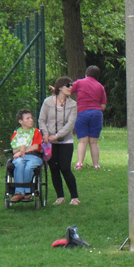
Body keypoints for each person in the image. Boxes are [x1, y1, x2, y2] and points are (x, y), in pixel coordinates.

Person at [39, 77, 79, 205]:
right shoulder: (47, 102)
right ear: (60, 87)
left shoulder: (72, 105)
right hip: (50, 142)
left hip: (65, 141)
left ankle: (74, 197)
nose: (71, 88)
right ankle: (60, 196)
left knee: (65, 167)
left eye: (71, 85)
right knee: (54, 168)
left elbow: (70, 124)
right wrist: (45, 134)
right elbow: (42, 120)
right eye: (68, 85)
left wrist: (56, 136)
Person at [71, 65, 107, 170]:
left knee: (83, 141)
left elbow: (68, 89)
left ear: (86, 74)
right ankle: (96, 165)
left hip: (82, 112)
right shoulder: (100, 86)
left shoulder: (80, 82)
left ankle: (79, 164)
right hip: (96, 113)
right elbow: (103, 106)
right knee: (94, 141)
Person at [9, 109, 43, 202]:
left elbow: (35, 146)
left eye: (31, 118)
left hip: (34, 156)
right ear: (21, 121)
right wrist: (21, 148)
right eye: (27, 118)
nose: (31, 120)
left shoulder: (36, 132)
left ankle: (27, 191)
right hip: (20, 157)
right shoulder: (17, 134)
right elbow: (14, 150)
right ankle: (19, 192)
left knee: (29, 167)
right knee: (19, 164)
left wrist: (21, 151)